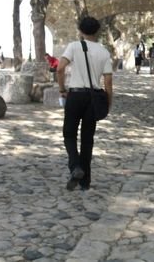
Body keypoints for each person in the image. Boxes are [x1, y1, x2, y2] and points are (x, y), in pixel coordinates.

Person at [57, 16, 113, 191]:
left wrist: (62, 89)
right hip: (94, 97)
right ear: (97, 31)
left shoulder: (74, 46)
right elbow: (108, 83)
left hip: (75, 95)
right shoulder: (104, 52)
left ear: (80, 31)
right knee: (87, 139)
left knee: (69, 133)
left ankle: (75, 167)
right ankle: (85, 181)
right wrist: (108, 103)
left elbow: (60, 68)